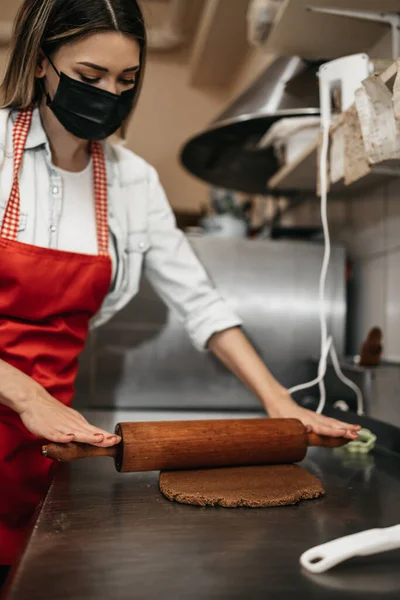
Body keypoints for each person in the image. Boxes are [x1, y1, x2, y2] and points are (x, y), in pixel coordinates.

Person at [0, 0, 360, 580]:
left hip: (46, 437)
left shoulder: (132, 180)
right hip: (28, 405)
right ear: (42, 63)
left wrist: (278, 403)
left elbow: (202, 302)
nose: (108, 94)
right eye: (89, 78)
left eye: (126, 80)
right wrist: (25, 397)